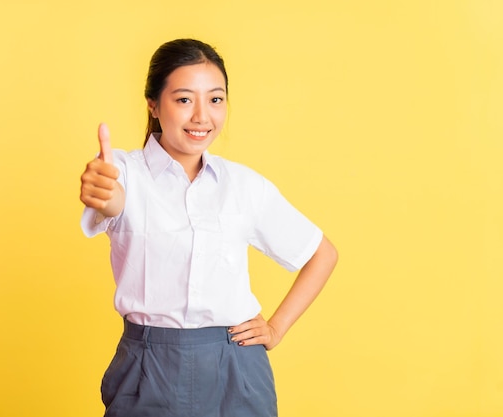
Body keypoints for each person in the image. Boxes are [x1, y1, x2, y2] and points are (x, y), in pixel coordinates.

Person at [79, 38, 338, 417]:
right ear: (153, 104)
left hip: (236, 367)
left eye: (215, 99)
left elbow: (321, 254)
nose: (202, 116)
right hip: (148, 366)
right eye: (184, 99)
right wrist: (104, 192)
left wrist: (276, 327)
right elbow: (114, 199)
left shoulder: (244, 186)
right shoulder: (125, 171)